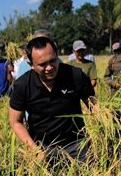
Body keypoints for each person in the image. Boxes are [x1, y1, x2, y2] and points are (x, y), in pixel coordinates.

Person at [9, 35, 96, 164]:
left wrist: (105, 129)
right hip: (41, 147)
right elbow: (16, 121)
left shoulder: (75, 76)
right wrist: (35, 150)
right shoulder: (22, 85)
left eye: (52, 61)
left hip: (77, 145)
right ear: (31, 65)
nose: (49, 67)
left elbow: (95, 106)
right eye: (42, 64)